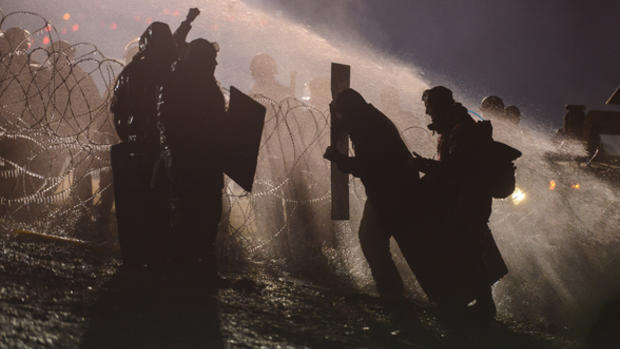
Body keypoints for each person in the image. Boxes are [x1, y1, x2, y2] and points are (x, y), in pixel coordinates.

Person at [411, 86, 518, 321]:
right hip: (465, 199)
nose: (428, 113)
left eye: (430, 107)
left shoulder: (462, 130)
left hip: (469, 200)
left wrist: (425, 166)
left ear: (440, 105)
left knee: (467, 251)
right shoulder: (456, 127)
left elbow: (457, 170)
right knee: (465, 251)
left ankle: (484, 307)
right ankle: (471, 301)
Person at [110, 9, 200, 268]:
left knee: (153, 202)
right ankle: (152, 253)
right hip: (153, 145)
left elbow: (118, 111)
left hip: (153, 144)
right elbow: (120, 110)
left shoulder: (154, 68)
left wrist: (187, 22)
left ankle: (146, 253)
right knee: (152, 202)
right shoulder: (166, 70)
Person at [323, 88, 418, 299]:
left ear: (350, 111)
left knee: (372, 239)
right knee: (389, 242)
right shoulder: (369, 119)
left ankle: (392, 292)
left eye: (343, 114)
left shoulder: (368, 127)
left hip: (390, 192)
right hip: (394, 190)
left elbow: (368, 165)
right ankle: (396, 290)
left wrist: (338, 159)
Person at [157, 38, 226, 278]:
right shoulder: (181, 81)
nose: (216, 62)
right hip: (190, 156)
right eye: (211, 58)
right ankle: (183, 263)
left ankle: (200, 260)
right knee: (189, 210)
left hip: (206, 157)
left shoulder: (200, 81)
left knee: (208, 211)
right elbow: (172, 119)